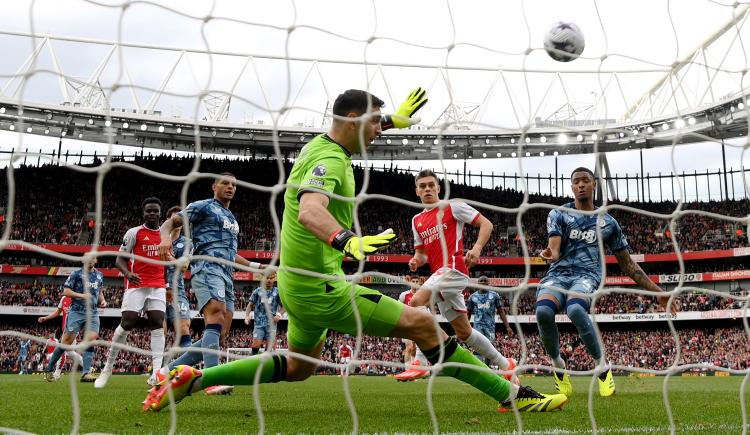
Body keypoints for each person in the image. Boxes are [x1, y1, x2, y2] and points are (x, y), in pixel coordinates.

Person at [144, 87, 566, 414]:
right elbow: (311, 209)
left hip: (299, 285)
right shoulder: (328, 160)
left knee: (297, 368)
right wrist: (347, 240)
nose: (381, 131)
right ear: (352, 119)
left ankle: (192, 378)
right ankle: (513, 394)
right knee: (422, 322)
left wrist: (394, 119)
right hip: (321, 287)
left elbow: (354, 136)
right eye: (377, 123)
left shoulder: (322, 145)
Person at [536, 167, 670, 398]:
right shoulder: (557, 214)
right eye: (576, 181)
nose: (580, 185)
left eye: (585, 181)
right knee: (543, 313)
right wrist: (550, 253)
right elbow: (555, 251)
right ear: (571, 187)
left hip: (588, 276)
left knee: (576, 309)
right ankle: (558, 367)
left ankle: (602, 368)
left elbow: (628, 265)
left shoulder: (608, 223)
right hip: (558, 275)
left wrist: (657, 291)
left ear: (594, 184)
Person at [400, 169, 516, 382]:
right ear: (417, 191)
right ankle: (505, 364)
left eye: (431, 185)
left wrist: (477, 248)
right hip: (440, 275)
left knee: (415, 301)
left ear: (438, 188)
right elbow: (422, 254)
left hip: (454, 268)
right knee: (464, 332)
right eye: (422, 186)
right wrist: (416, 260)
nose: (427, 189)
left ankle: (420, 362)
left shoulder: (452, 206)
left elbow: (486, 224)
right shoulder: (417, 220)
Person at [152, 173, 259, 396]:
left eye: (234, 184)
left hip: (227, 273)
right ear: (214, 186)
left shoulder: (232, 218)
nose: (230, 187)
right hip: (206, 268)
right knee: (216, 316)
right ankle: (211, 378)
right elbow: (170, 223)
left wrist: (256, 266)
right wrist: (164, 238)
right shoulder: (203, 207)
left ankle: (166, 371)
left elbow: (231, 253)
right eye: (225, 183)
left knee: (221, 331)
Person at [96, 197, 168, 388]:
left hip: (158, 285)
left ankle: (156, 373)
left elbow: (167, 261)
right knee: (127, 322)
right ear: (143, 213)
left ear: (160, 213)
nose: (152, 214)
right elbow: (119, 260)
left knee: (157, 323)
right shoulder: (134, 233)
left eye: (155, 211)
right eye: (148, 211)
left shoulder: (165, 234)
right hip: (136, 284)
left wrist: (165, 284)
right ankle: (107, 368)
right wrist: (128, 273)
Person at [43, 259, 106, 382]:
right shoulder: (76, 274)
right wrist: (82, 295)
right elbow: (66, 291)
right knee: (66, 342)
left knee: (91, 339)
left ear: (96, 260)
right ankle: (49, 368)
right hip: (76, 311)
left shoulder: (99, 275)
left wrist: (102, 300)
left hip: (92, 312)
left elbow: (99, 292)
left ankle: (86, 373)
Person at [466, 275, 515, 366]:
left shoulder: (494, 295)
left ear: (489, 283)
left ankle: (487, 368)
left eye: (485, 281)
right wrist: (465, 326)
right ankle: (480, 368)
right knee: (478, 348)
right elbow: (468, 313)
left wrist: (507, 327)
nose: (484, 282)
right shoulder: (472, 297)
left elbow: (501, 311)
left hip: (490, 327)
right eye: (482, 281)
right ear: (478, 283)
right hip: (478, 326)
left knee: (490, 348)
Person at [164, 205, 192, 356]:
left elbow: (184, 266)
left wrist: (167, 256)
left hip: (177, 290)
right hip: (157, 289)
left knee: (183, 328)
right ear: (168, 220)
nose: (178, 221)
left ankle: (185, 370)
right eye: (175, 218)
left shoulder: (187, 243)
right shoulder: (159, 239)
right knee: (159, 331)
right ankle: (157, 371)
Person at [38, 296, 82, 379]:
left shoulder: (79, 298)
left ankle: (55, 373)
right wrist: (46, 318)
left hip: (72, 329)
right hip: (65, 330)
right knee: (70, 353)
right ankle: (88, 368)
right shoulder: (64, 298)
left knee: (61, 349)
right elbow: (57, 312)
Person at [244, 272, 283, 354]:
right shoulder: (257, 291)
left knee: (270, 348)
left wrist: (279, 314)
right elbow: (250, 305)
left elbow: (284, 306)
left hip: (271, 324)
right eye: (267, 278)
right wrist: (247, 316)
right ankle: (253, 364)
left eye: (271, 278)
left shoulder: (277, 292)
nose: (269, 280)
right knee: (256, 345)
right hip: (259, 323)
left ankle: (266, 365)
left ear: (274, 279)